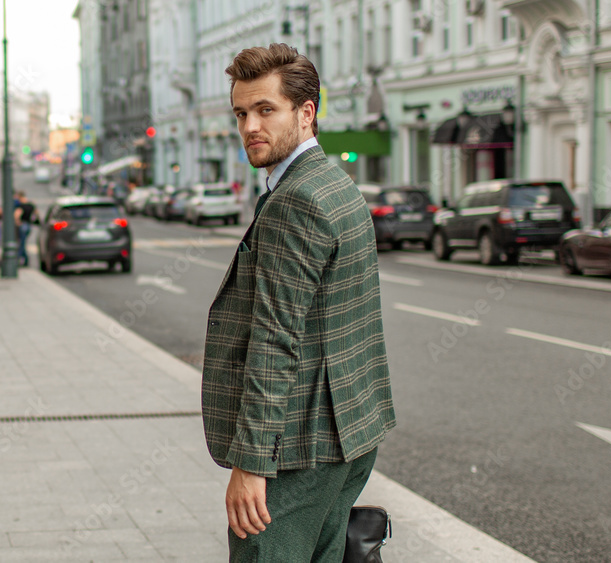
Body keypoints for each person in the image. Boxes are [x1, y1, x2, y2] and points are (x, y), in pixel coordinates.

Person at [201, 43, 395, 562]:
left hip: (297, 445)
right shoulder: (335, 184)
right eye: (242, 113)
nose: (250, 126)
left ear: (306, 113)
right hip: (347, 431)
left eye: (266, 109)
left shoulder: (298, 201)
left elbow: (275, 340)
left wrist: (251, 464)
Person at [13, 191, 38, 267]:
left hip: (23, 225)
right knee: (23, 243)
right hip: (29, 225)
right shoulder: (31, 205)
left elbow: (16, 215)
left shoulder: (21, 206)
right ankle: (25, 260)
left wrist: (17, 222)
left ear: (20, 197)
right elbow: (36, 213)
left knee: (21, 244)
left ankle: (22, 259)